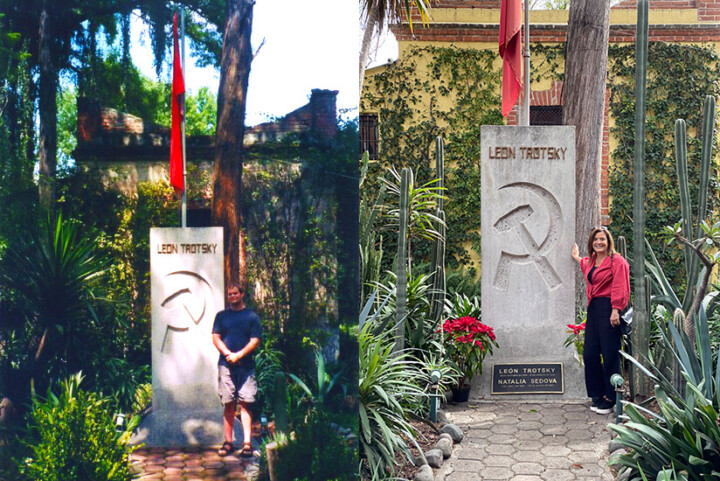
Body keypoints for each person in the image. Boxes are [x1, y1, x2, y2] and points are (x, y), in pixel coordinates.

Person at [571, 226, 630, 415]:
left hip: (609, 309)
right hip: (594, 309)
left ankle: (611, 397)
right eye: (596, 239)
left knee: (610, 353)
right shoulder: (592, 261)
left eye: (602, 239)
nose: (599, 242)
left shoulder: (617, 261)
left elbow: (620, 286)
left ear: (608, 241)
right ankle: (597, 394)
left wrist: (615, 310)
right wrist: (576, 257)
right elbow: (585, 265)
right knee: (590, 354)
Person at [212, 283, 262, 457]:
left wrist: (239, 355)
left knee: (246, 404)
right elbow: (216, 338)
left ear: (241, 294)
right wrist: (228, 354)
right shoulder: (221, 316)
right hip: (226, 366)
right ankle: (228, 442)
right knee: (229, 404)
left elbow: (255, 340)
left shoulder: (251, 317)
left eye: (235, 293)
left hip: (246, 367)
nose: (232, 296)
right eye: (230, 294)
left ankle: (247, 443)